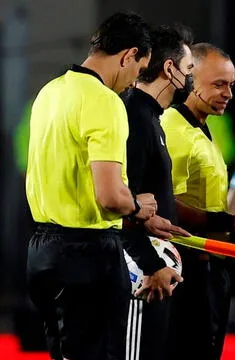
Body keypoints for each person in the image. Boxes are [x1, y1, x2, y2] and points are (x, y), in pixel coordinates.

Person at [25, 12, 156, 360]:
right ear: (128, 56)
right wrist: (139, 207)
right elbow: (110, 196)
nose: (133, 83)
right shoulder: (104, 101)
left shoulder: (49, 92)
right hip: (87, 256)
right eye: (139, 71)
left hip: (42, 253)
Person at [160, 42, 235, 360]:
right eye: (219, 84)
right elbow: (166, 203)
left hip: (212, 268)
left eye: (231, 85)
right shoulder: (174, 129)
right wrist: (229, 223)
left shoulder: (204, 128)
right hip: (186, 271)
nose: (228, 93)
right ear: (191, 79)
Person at [119, 23, 194, 360]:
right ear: (170, 69)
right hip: (143, 274)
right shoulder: (135, 115)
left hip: (155, 271)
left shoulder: (150, 116)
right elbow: (120, 202)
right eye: (190, 69)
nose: (191, 77)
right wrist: (149, 265)